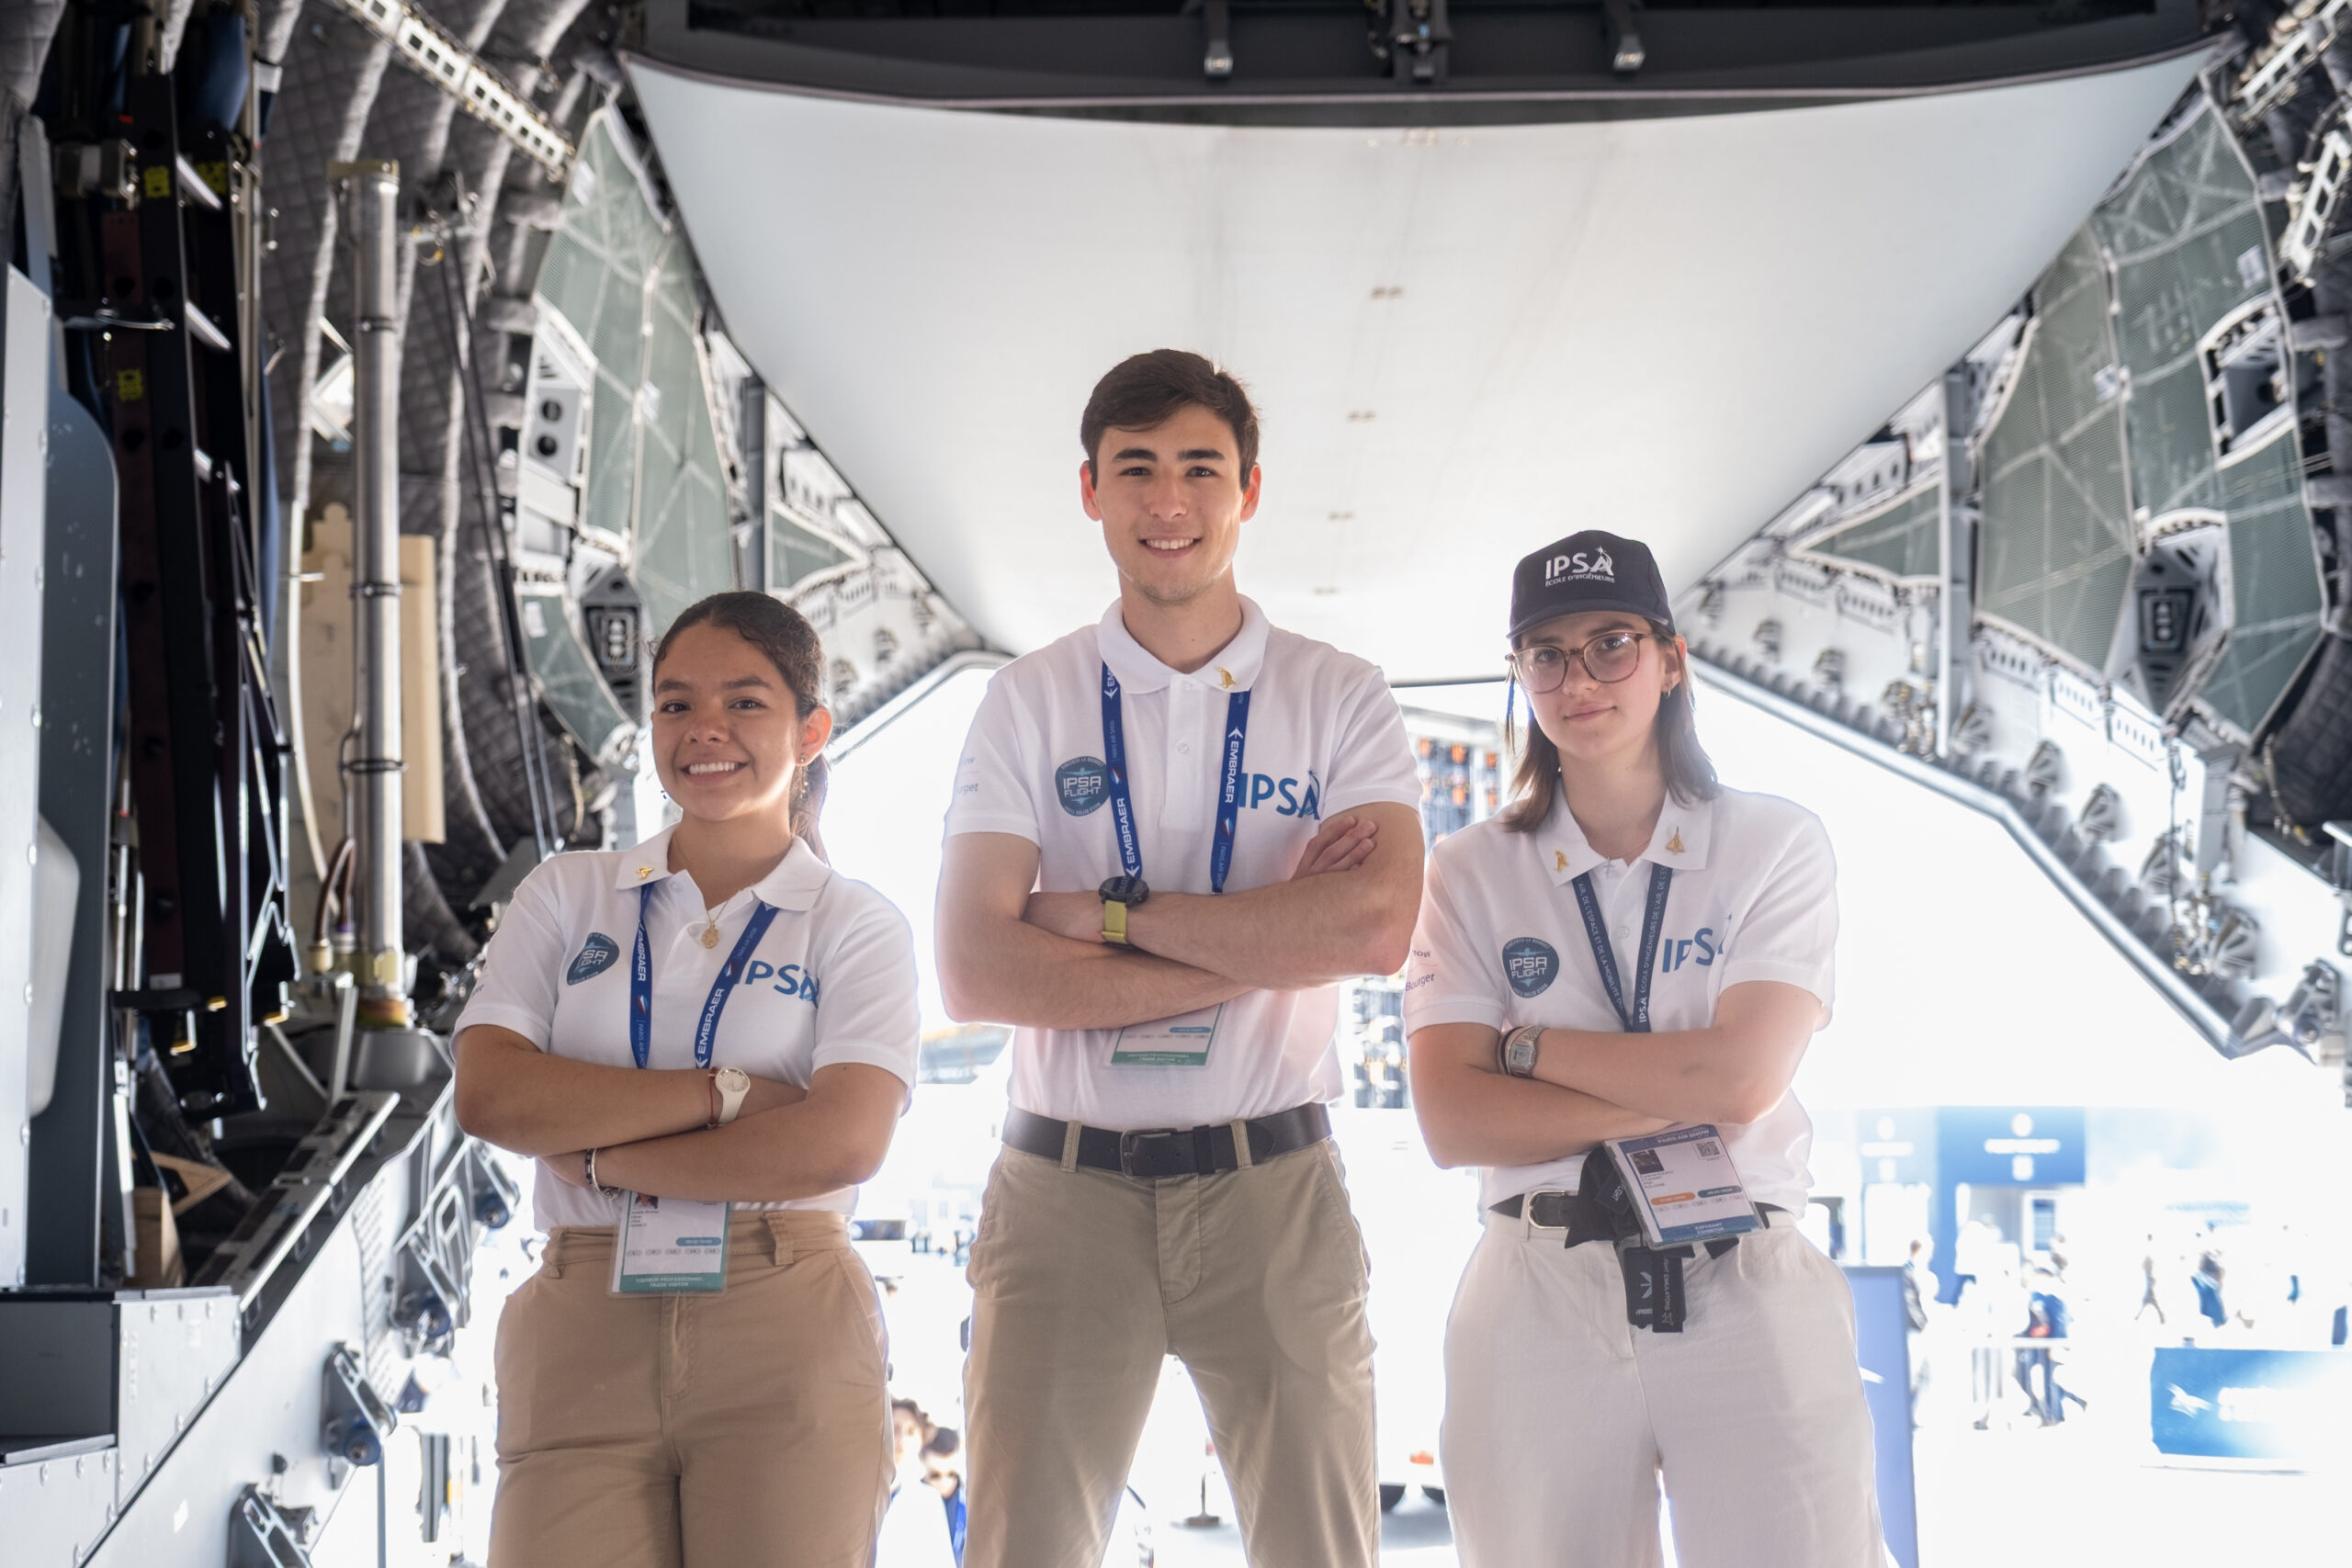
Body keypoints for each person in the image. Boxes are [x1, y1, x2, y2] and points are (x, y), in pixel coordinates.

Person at [936, 349, 1425, 1568]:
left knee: (1322, 1546)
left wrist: (1102, 915)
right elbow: (976, 970)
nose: (1168, 502)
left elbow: (1372, 930)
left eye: (1200, 468)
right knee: (1023, 1547)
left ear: (1248, 492)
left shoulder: (1340, 695)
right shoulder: (1028, 700)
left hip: (1273, 1185)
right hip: (1061, 1193)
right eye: (1137, 469)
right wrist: (1271, 934)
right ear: (1091, 490)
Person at [1401, 531, 1883, 1567]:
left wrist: (1526, 1054)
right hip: (1539, 1289)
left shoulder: (1772, 843)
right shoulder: (1470, 870)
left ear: (1671, 661)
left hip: (1741, 1276)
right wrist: (1689, 1088)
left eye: (1611, 643)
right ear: (1521, 676)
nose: (1579, 678)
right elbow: (1454, 1119)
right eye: (1547, 654)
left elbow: (1745, 1079)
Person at [453, 592, 920, 1567]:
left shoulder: (855, 925)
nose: (704, 729)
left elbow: (839, 1142)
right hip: (583, 1317)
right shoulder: (567, 893)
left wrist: (601, 1152)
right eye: (675, 705)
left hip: (782, 1316)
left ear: (812, 730)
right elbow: (494, 1097)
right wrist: (727, 1095)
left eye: (745, 702)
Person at [877, 1399, 957, 1567]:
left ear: (922, 1440)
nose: (902, 1438)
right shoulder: (858, 1490)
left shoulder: (929, 1500)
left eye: (911, 1431)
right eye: (895, 1428)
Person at [922, 1427, 968, 1563]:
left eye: (951, 1474)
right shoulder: (909, 1503)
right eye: (935, 1475)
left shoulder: (970, 1502)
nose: (944, 1482)